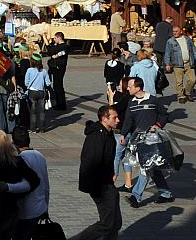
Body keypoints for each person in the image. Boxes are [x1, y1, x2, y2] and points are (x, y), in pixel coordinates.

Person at [70, 105, 122, 240]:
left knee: (115, 223)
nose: (118, 120)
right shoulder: (97, 136)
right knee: (107, 223)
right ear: (105, 119)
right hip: (100, 185)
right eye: (114, 117)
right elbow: (91, 161)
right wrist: (97, 186)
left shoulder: (108, 133)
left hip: (107, 183)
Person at [122, 76, 171, 208]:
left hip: (152, 140)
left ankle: (136, 197)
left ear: (138, 88)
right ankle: (166, 194)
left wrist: (158, 125)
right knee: (152, 169)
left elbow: (164, 115)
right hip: (139, 140)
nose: (127, 88)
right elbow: (128, 121)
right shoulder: (131, 103)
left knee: (146, 166)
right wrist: (123, 134)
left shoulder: (152, 100)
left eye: (130, 86)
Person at [10, 127, 50, 240]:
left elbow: (21, 187)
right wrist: (46, 206)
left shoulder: (20, 160)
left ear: (13, 143)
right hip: (40, 207)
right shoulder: (40, 156)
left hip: (25, 211)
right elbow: (46, 185)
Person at [107, 78, 133, 192]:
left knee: (115, 157)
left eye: (121, 84)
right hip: (129, 132)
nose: (119, 86)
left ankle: (111, 182)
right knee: (125, 158)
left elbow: (111, 111)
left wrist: (111, 97)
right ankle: (128, 184)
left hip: (121, 133)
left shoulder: (125, 99)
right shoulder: (130, 99)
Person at [164, 25, 196, 104]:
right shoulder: (170, 41)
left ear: (181, 31)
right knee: (179, 81)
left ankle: (187, 93)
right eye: (173, 32)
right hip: (177, 64)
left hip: (189, 63)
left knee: (192, 79)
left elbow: (194, 51)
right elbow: (167, 53)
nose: (174, 33)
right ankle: (180, 96)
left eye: (176, 31)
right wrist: (167, 64)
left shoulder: (187, 39)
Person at [25, 52, 51, 133]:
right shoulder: (43, 71)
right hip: (41, 92)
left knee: (33, 112)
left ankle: (33, 128)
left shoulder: (29, 70)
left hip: (32, 92)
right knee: (42, 111)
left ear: (31, 61)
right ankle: (42, 128)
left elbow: (26, 82)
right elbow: (48, 83)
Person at [46, 32, 69, 111]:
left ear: (59, 38)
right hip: (54, 67)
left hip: (59, 67)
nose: (54, 40)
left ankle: (61, 104)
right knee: (56, 85)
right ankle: (58, 103)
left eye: (55, 38)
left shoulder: (64, 46)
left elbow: (63, 52)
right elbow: (50, 51)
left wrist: (57, 55)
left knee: (58, 85)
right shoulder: (56, 45)